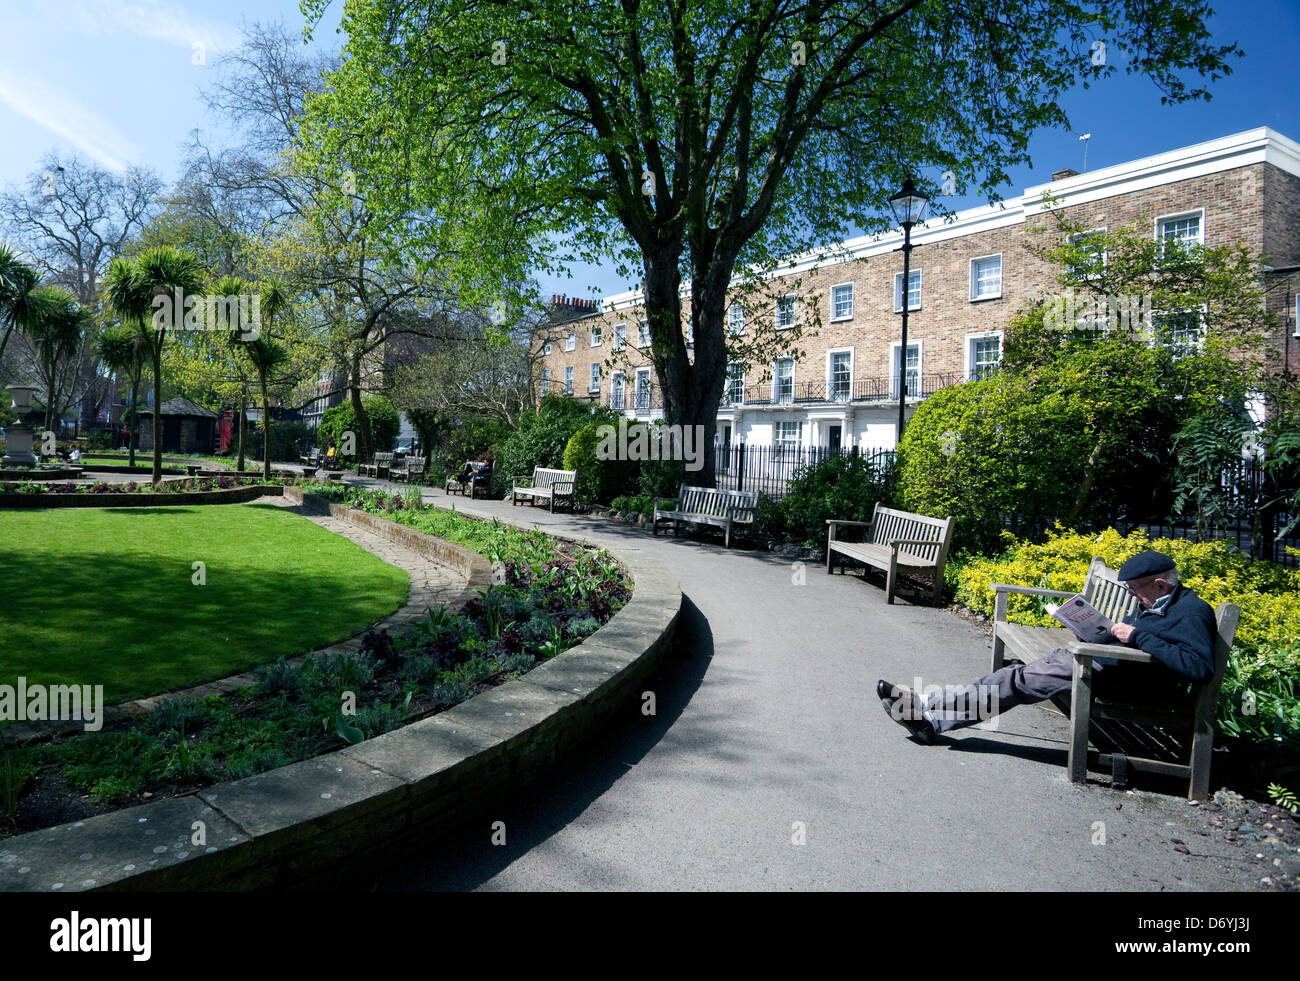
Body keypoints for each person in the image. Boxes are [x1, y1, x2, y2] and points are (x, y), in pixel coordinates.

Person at [877, 550, 1219, 743]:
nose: (1131, 595)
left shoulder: (1192, 612)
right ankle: (931, 721)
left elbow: (1199, 668)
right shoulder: (1153, 603)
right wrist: (1095, 632)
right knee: (1015, 677)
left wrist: (1136, 637)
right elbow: (1134, 636)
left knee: (1016, 681)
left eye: (1134, 589)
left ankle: (924, 706)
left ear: (1160, 583)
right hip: (1101, 663)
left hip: (1127, 684)